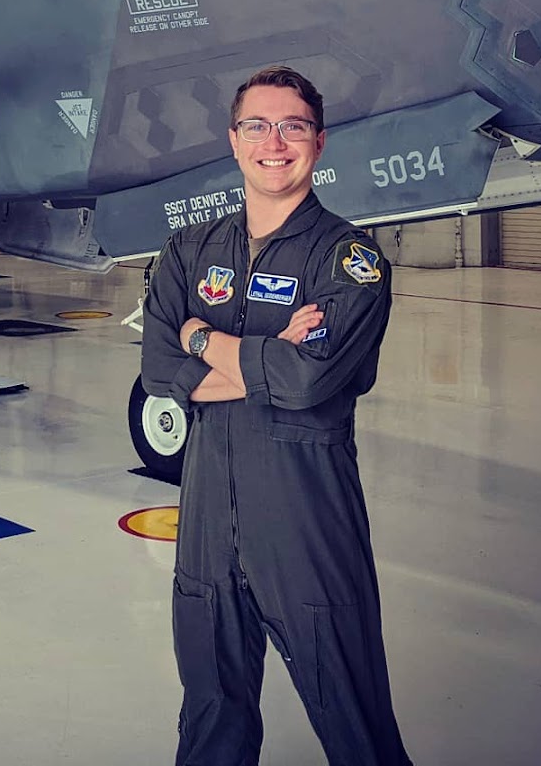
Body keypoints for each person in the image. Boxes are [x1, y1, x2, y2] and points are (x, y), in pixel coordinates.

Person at [140, 65, 412, 766]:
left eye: (292, 125)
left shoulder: (350, 260)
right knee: (209, 713)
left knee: (356, 725)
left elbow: (306, 380)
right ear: (233, 141)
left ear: (317, 143)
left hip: (306, 518)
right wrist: (263, 356)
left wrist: (201, 337)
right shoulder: (187, 251)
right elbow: (160, 376)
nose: (274, 140)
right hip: (205, 516)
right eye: (257, 125)